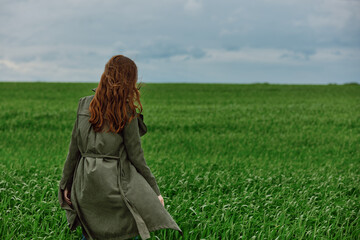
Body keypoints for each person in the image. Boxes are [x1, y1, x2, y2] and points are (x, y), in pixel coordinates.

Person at [58, 55, 183, 239]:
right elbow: (136, 157)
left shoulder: (84, 104)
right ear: (128, 80)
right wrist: (154, 190)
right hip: (116, 185)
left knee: (90, 234)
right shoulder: (127, 111)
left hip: (86, 186)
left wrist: (65, 183)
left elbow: (73, 150)